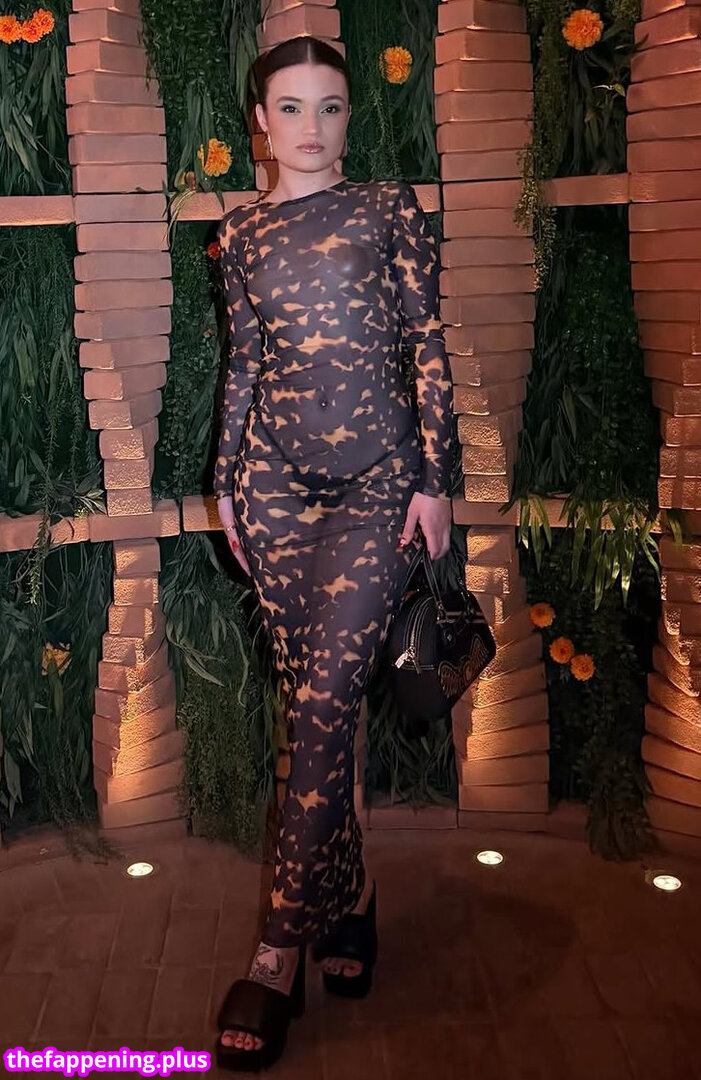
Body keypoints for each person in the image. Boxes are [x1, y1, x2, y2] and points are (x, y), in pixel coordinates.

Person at [212, 34, 453, 1072]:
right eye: (290, 107)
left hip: (374, 486)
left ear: (349, 118)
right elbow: (243, 363)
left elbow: (426, 341)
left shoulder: (387, 207)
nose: (311, 127)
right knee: (315, 703)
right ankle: (350, 898)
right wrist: (225, 482)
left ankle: (277, 951)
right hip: (272, 491)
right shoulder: (237, 232)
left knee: (319, 706)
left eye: (330, 106)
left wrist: (436, 478)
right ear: (260, 123)